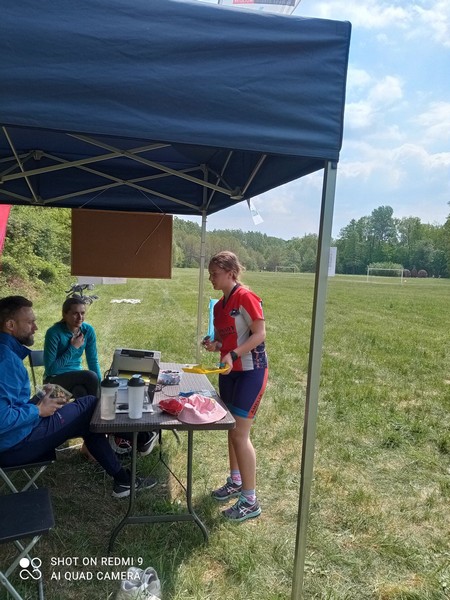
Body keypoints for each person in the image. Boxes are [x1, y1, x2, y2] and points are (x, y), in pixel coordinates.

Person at [0, 295, 156, 498]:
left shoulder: (6, 352)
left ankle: (124, 480)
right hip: (14, 444)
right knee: (89, 404)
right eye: (30, 322)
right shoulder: (5, 361)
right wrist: (38, 409)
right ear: (11, 325)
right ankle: (142, 437)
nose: (36, 327)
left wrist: (40, 400)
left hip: (14, 433)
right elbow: (2, 419)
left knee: (80, 407)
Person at [203, 251, 268, 522]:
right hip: (228, 372)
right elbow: (223, 342)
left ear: (231, 272)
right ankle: (236, 481)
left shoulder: (246, 298)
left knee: (241, 434)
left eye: (215, 274)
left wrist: (234, 353)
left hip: (251, 373)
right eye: (210, 274)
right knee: (231, 430)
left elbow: (260, 334)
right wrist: (215, 346)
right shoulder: (218, 307)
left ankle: (250, 500)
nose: (211, 279)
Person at [43, 298, 101, 398]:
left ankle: (86, 412)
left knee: (80, 391)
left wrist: (100, 385)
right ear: (64, 315)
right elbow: (50, 370)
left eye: (82, 313)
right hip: (54, 379)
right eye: (75, 313)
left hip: (76, 377)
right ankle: (98, 408)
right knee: (90, 376)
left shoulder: (88, 330)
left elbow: (92, 361)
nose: (80, 317)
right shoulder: (53, 333)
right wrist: (73, 347)